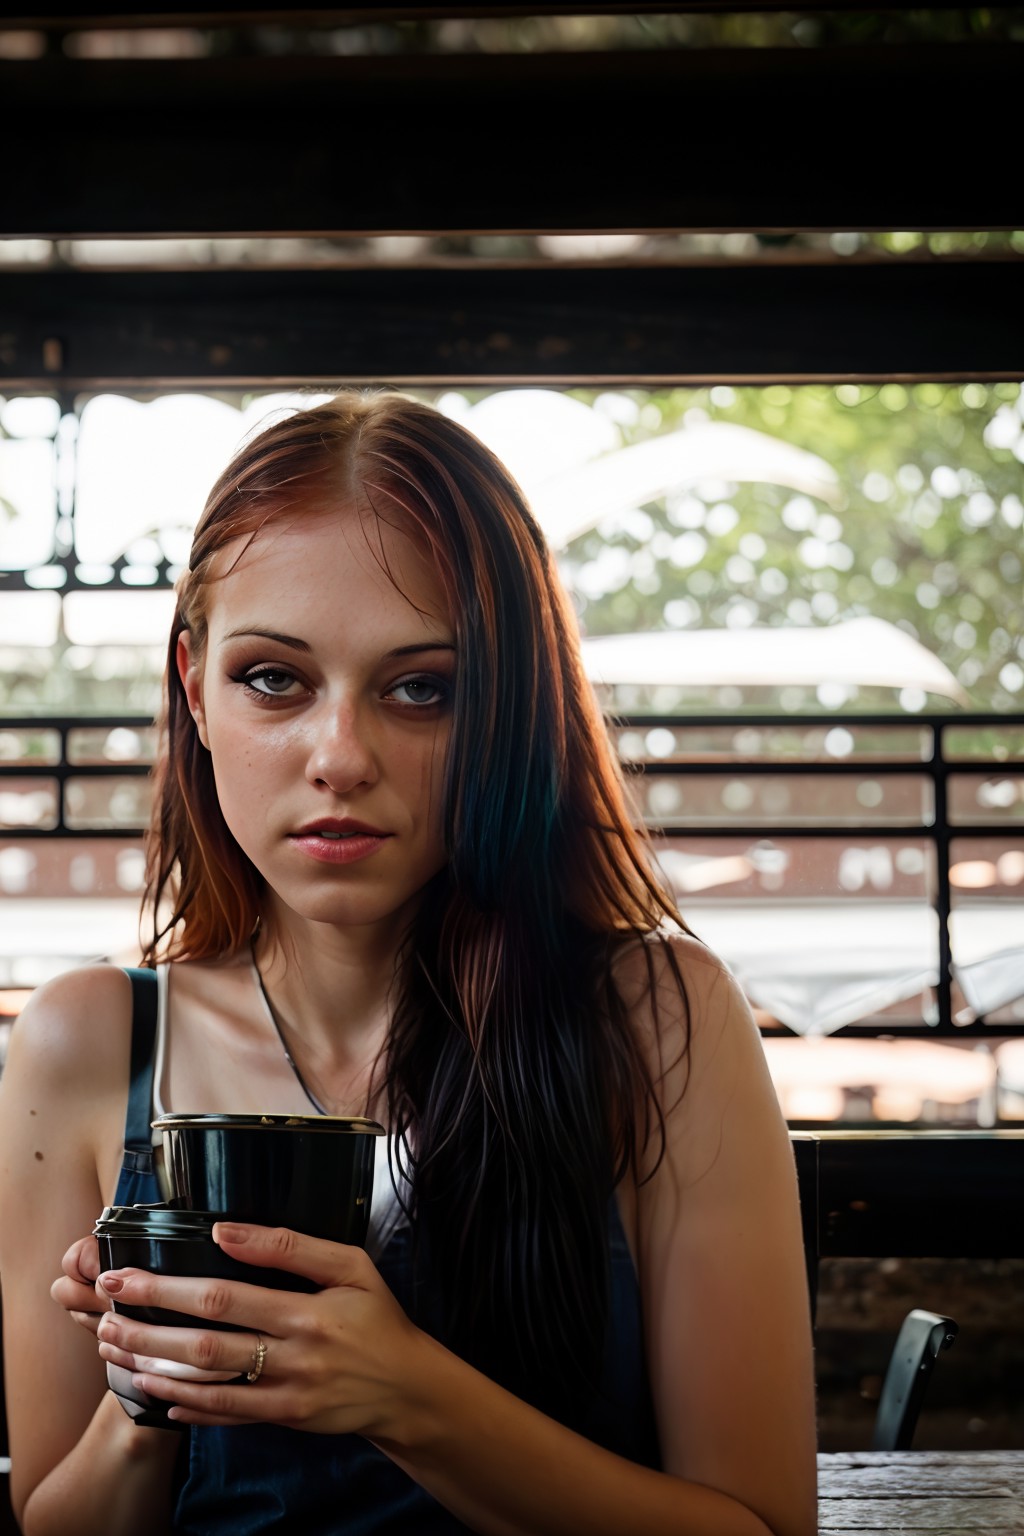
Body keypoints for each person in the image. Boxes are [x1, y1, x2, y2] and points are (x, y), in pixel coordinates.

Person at [0, 391, 817, 1536]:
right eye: (274, 679)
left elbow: (761, 1528)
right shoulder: (89, 1040)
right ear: (193, 685)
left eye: (420, 688)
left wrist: (407, 1396)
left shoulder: (652, 1016)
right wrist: (149, 1383)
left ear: (506, 706)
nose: (341, 757)